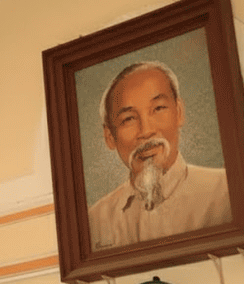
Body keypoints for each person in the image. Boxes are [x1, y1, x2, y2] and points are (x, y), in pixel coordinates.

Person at [88, 61, 231, 250]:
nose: (146, 131)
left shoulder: (224, 192)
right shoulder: (96, 220)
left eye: (158, 109)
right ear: (109, 137)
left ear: (179, 112)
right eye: (128, 119)